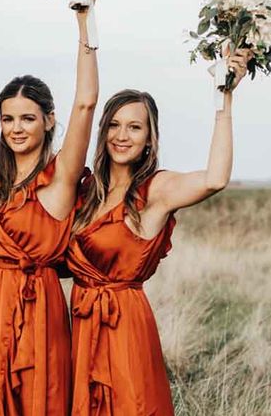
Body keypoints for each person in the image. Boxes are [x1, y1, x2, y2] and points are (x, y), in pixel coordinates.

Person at [67, 51, 249, 416]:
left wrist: (224, 99)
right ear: (102, 133)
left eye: (134, 127)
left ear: (149, 138)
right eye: (114, 126)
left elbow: (215, 179)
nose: (122, 136)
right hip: (81, 327)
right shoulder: (86, 194)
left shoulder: (155, 190)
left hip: (124, 328)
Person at [0, 0, 99, 416]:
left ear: (48, 121)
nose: (16, 129)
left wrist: (85, 20)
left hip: (38, 312)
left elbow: (86, 103)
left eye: (27, 118)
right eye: (8, 119)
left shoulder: (60, 177)